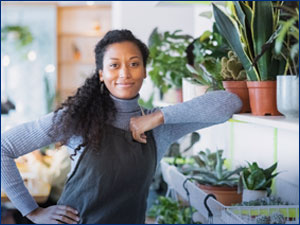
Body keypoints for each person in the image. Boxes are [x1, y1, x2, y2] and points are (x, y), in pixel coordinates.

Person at [1, 29, 242, 224]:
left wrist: (157, 117)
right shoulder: (77, 119)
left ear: (145, 71)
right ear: (101, 75)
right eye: (114, 65)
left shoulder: (160, 128)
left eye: (134, 64)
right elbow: (4, 147)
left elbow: (230, 103)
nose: (125, 73)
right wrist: (32, 211)